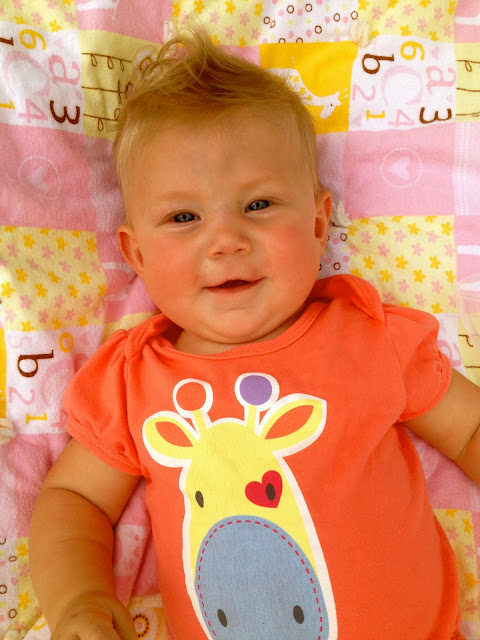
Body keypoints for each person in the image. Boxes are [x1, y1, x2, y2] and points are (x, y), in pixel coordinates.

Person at [29, 26, 480, 640]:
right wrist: (78, 597)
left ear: (318, 223)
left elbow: (469, 428)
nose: (226, 240)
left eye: (259, 205)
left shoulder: (371, 337)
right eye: (183, 217)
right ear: (136, 255)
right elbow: (75, 500)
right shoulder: (134, 380)